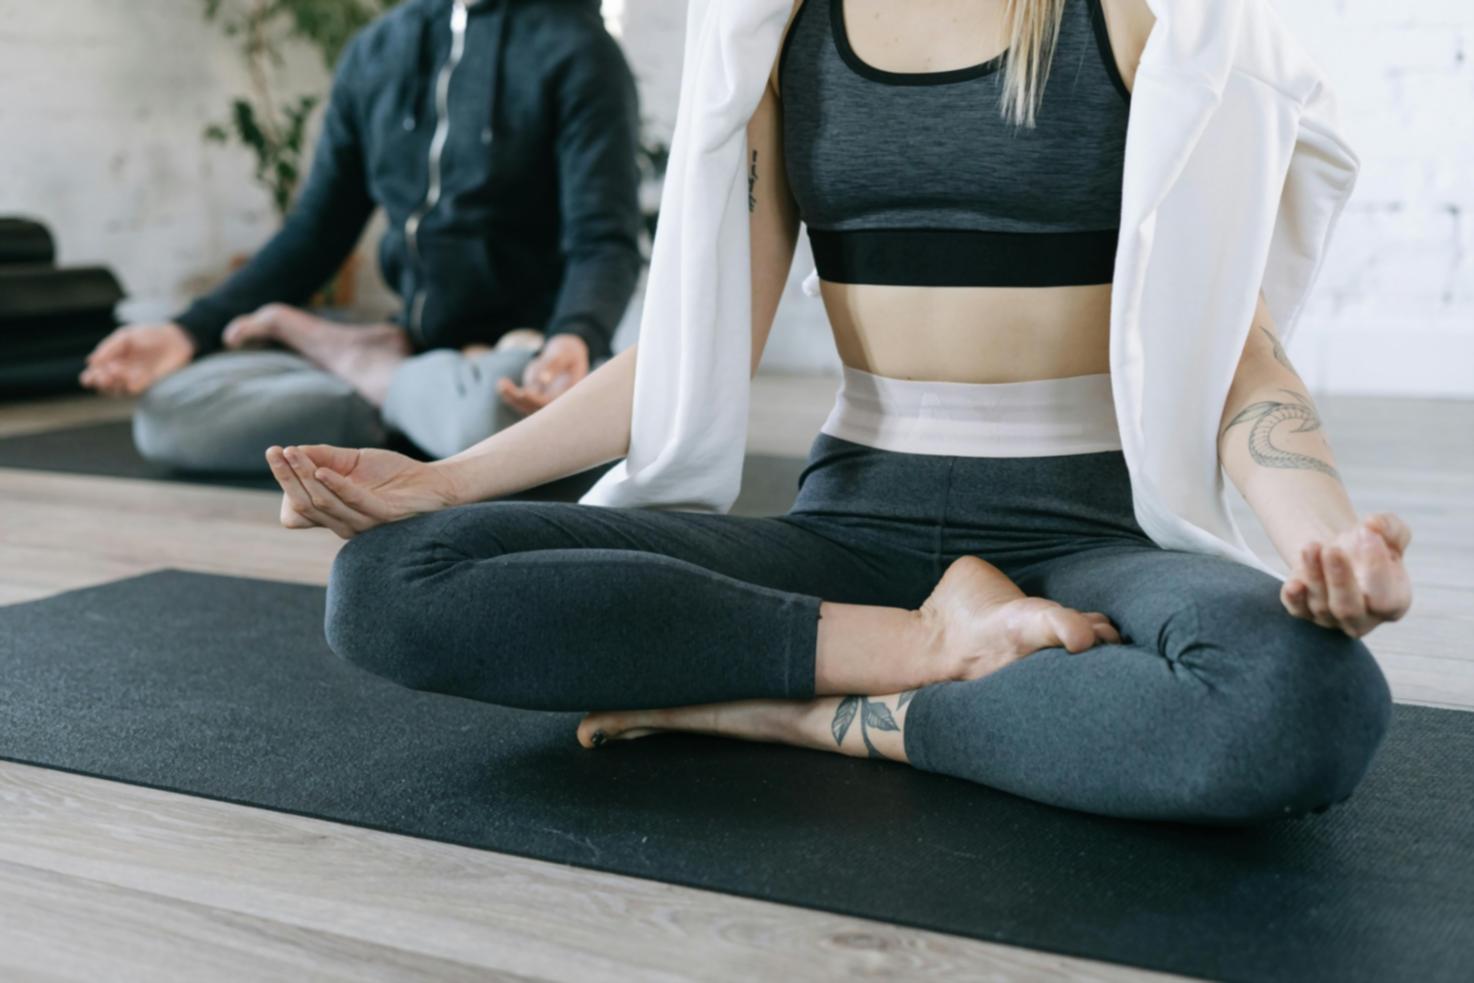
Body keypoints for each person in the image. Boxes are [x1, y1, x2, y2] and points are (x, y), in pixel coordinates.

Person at [263, 0, 1411, 824]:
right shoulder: (777, 26)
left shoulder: (1146, 18)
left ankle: (790, 708)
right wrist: (447, 482)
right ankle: (921, 643)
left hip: (1092, 533)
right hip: (855, 518)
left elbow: (1239, 357)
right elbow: (684, 338)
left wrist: (1323, 540)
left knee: (1299, 697)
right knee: (391, 582)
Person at [80, 0, 642, 470]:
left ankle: (380, 381)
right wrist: (187, 332)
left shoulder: (579, 51)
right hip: (416, 346)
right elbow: (316, 231)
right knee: (171, 414)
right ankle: (401, 395)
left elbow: (604, 241)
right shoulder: (378, 51)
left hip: (520, 357)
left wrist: (576, 336)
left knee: (501, 422)